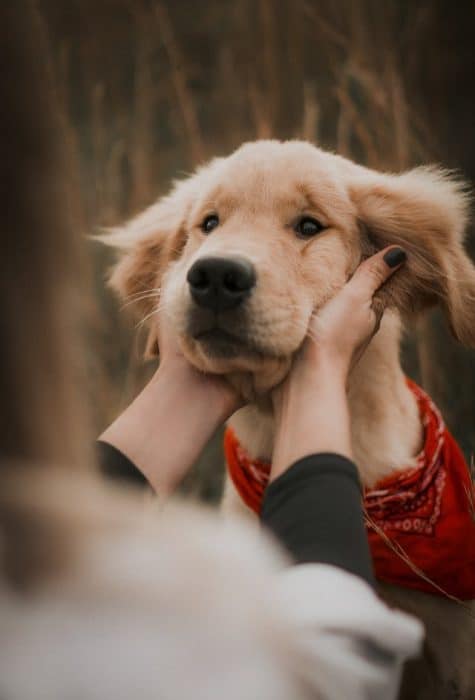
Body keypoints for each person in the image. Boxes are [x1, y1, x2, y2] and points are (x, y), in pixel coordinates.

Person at [0, 4, 422, 699]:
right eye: (210, 226)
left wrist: (185, 377)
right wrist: (318, 370)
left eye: (307, 225)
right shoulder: (204, 591)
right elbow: (337, 665)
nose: (221, 261)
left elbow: (43, 556)